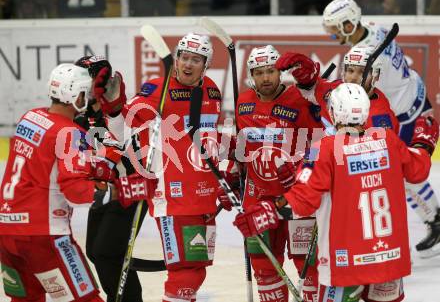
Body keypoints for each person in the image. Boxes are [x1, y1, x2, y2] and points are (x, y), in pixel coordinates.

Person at [233, 82, 439, 302]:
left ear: (333, 113)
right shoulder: (388, 140)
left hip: (347, 264)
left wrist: (269, 209)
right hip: (388, 259)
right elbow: (419, 170)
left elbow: (303, 199)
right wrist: (423, 143)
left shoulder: (322, 149)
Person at [322, 0, 440, 257]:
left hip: (405, 114)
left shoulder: (368, 56)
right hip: (414, 93)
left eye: (334, 30)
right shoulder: (376, 28)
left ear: (348, 24)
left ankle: (436, 220)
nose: (331, 35)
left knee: (402, 173)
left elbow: (363, 93)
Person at [0, 63, 116, 302]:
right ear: (75, 95)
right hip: (44, 236)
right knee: (85, 299)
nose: (89, 97)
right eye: (86, 93)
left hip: (6, 232)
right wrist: (116, 192)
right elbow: (75, 192)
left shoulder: (29, 117)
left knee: (25, 299)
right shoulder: (70, 133)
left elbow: (45, 162)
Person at [121, 33, 222, 302]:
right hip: (173, 195)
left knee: (196, 270)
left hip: (205, 194)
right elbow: (128, 114)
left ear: (206, 64)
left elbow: (211, 137)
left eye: (196, 60)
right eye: (184, 58)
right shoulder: (157, 88)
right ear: (175, 60)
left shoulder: (212, 89)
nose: (188, 65)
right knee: (184, 270)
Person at [217, 45, 322, 302]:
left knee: (307, 269)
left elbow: (319, 145)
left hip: (296, 200)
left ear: (280, 72)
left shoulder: (300, 99)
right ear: (251, 75)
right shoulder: (244, 102)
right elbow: (242, 147)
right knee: (264, 270)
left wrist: (298, 173)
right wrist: (232, 175)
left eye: (271, 71)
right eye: (260, 72)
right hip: (257, 202)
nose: (266, 78)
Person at [74, 55, 155, 302]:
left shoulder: (124, 112)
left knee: (107, 252)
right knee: (95, 252)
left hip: (130, 190)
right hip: (104, 191)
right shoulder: (80, 117)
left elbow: (121, 145)